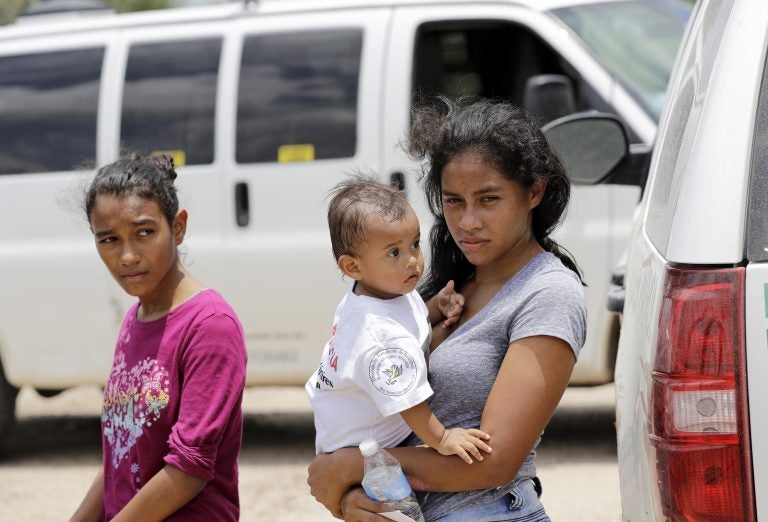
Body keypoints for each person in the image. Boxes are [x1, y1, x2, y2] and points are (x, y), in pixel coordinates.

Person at [306, 97, 587, 522]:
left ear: (534, 191)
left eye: (488, 199)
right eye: (454, 201)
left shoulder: (547, 293)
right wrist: (351, 498)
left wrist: (351, 465)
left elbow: (495, 462)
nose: (467, 221)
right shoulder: (445, 286)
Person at [70, 154, 248, 521]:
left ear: (178, 227)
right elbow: (120, 454)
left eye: (145, 233)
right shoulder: (136, 317)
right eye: (109, 240)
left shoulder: (210, 324)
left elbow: (188, 469)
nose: (128, 256)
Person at [306, 178, 492, 465]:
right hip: (358, 450)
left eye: (415, 244)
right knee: (393, 509)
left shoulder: (384, 290)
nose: (412, 261)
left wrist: (436, 307)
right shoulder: (380, 337)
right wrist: (443, 439)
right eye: (394, 252)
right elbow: (410, 403)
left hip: (363, 433)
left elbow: (409, 318)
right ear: (353, 266)